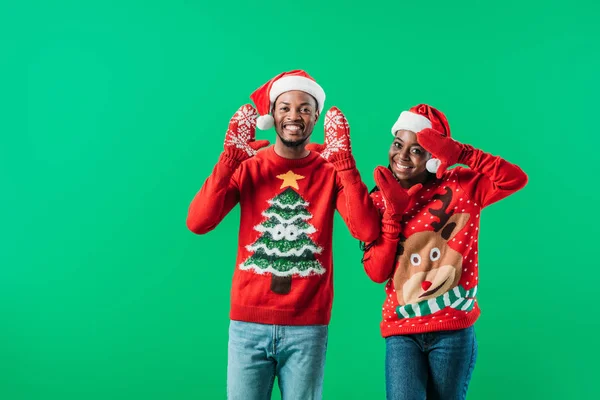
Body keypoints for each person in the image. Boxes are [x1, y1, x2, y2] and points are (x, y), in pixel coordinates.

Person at [186, 69, 380, 400]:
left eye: (305, 108)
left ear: (316, 116)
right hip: (248, 324)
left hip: (308, 325)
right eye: (285, 107)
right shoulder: (249, 166)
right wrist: (230, 158)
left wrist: (345, 163)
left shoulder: (329, 170)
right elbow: (198, 221)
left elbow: (366, 229)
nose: (294, 116)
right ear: (272, 114)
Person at [362, 104, 528, 400]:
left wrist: (464, 155)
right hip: (402, 329)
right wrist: (391, 216)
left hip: (453, 328)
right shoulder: (379, 197)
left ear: (433, 158)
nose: (402, 155)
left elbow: (514, 179)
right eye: (398, 144)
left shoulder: (462, 187)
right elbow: (376, 272)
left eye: (416, 150)